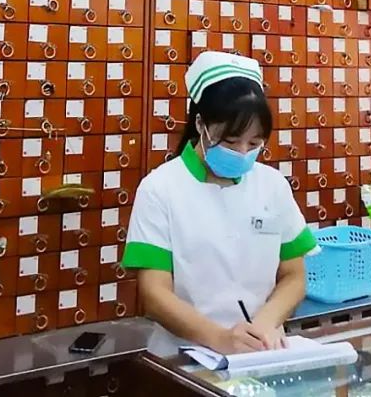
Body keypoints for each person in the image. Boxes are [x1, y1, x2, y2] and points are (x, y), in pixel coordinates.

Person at [122, 51, 317, 356]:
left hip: (261, 351)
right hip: (185, 354)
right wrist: (220, 338)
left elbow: (294, 276)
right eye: (230, 141)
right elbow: (154, 293)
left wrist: (264, 324)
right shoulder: (160, 189)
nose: (242, 152)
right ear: (201, 123)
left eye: (254, 143)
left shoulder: (273, 186)